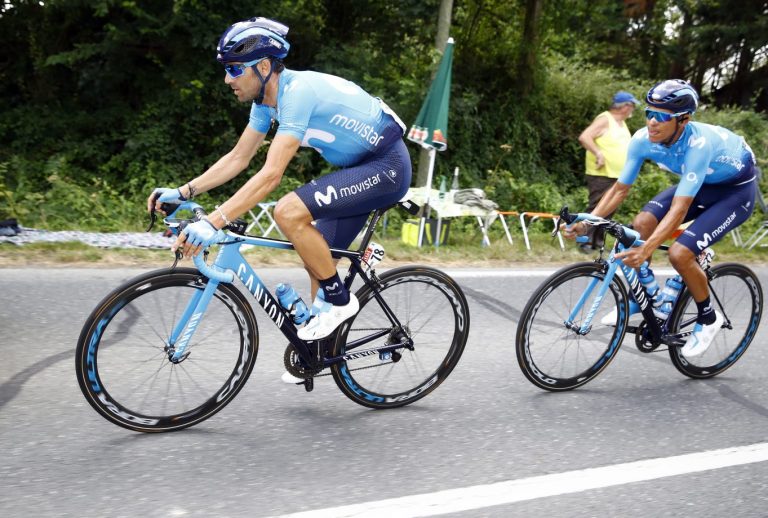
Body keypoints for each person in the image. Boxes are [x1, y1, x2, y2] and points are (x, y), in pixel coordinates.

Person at [147, 17, 411, 380]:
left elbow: (271, 175)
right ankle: (320, 352)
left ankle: (339, 301)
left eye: (235, 69)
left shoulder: (296, 93)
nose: (228, 79)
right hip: (360, 170)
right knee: (315, 254)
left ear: (264, 66)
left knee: (288, 212)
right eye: (226, 70)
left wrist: (213, 222)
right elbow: (238, 158)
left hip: (386, 167)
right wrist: (183, 192)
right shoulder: (266, 102)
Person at [563, 79, 757, 358]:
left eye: (662, 116)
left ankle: (707, 318)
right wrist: (587, 222)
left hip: (734, 195)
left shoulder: (698, 145)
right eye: (649, 113)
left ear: (684, 120)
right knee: (642, 223)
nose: (653, 122)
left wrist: (647, 249)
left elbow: (679, 211)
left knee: (679, 254)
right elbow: (619, 189)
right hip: (702, 184)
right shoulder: (643, 139)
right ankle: (639, 297)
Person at [577, 91, 640, 252]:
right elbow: (585, 137)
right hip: (601, 174)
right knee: (597, 206)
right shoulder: (605, 119)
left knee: (609, 210)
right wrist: (598, 153)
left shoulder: (621, 123)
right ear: (624, 106)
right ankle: (584, 240)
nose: (632, 110)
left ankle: (597, 242)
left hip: (617, 175)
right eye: (632, 106)